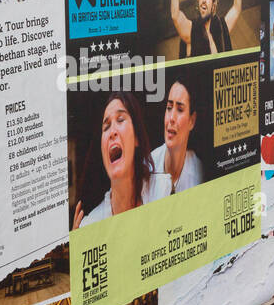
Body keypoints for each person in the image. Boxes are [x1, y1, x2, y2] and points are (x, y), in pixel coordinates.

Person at [73, 92, 170, 228]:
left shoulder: (163, 190)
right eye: (106, 127)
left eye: (120, 120)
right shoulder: (91, 225)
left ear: (136, 137)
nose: (112, 131)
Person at [150, 78, 203, 195]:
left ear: (192, 121)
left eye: (180, 109)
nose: (171, 118)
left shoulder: (199, 173)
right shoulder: (147, 168)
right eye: (169, 108)